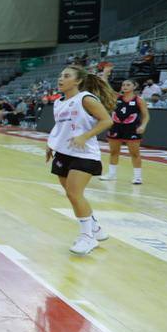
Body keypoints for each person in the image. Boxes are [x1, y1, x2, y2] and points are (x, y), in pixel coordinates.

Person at [46, 65, 115, 255]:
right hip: (63, 153)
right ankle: (95, 228)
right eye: (60, 75)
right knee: (71, 194)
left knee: (75, 193)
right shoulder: (59, 102)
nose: (61, 79)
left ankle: (88, 237)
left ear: (77, 81)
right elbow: (61, 127)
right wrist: (51, 144)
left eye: (66, 76)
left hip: (84, 154)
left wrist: (85, 136)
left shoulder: (85, 98)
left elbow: (107, 121)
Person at [100, 79, 150, 185]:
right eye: (123, 85)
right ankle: (112, 174)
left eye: (128, 85)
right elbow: (105, 87)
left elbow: (146, 116)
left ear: (134, 87)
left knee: (134, 153)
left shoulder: (139, 100)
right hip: (116, 127)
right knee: (114, 152)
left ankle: (137, 177)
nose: (125, 86)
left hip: (132, 128)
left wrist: (143, 125)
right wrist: (105, 74)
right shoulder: (116, 97)